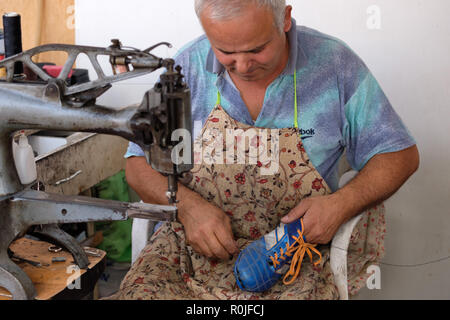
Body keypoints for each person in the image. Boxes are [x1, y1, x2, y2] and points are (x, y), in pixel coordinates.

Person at [110, 0, 419, 299]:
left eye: (257, 49)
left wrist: (340, 205)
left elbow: (399, 155)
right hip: (189, 248)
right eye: (225, 51)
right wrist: (188, 209)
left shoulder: (335, 65)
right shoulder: (186, 67)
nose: (242, 66)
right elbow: (138, 164)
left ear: (284, 19)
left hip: (296, 254)